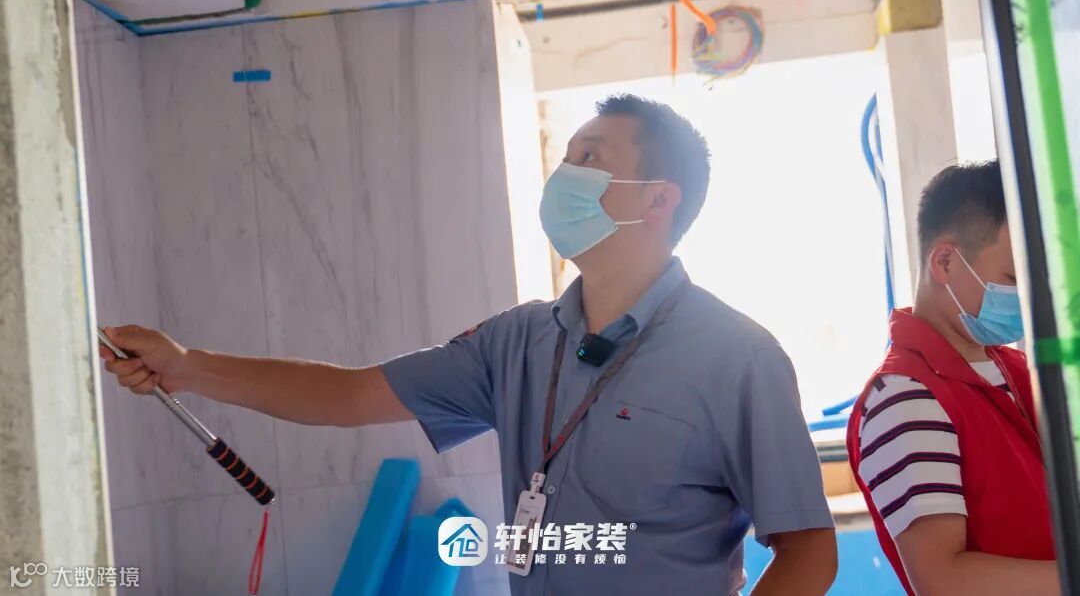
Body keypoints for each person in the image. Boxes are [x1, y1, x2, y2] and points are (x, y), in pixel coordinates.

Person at [100, 94, 837, 595]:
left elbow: (809, 549)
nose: (565, 174)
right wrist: (187, 367)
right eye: (566, 155)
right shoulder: (519, 340)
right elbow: (350, 394)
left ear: (659, 198)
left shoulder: (736, 357)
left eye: (590, 156)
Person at [846, 161, 1059, 595]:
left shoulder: (1017, 370)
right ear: (945, 262)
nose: (1028, 296)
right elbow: (943, 580)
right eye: (1013, 278)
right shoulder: (905, 397)